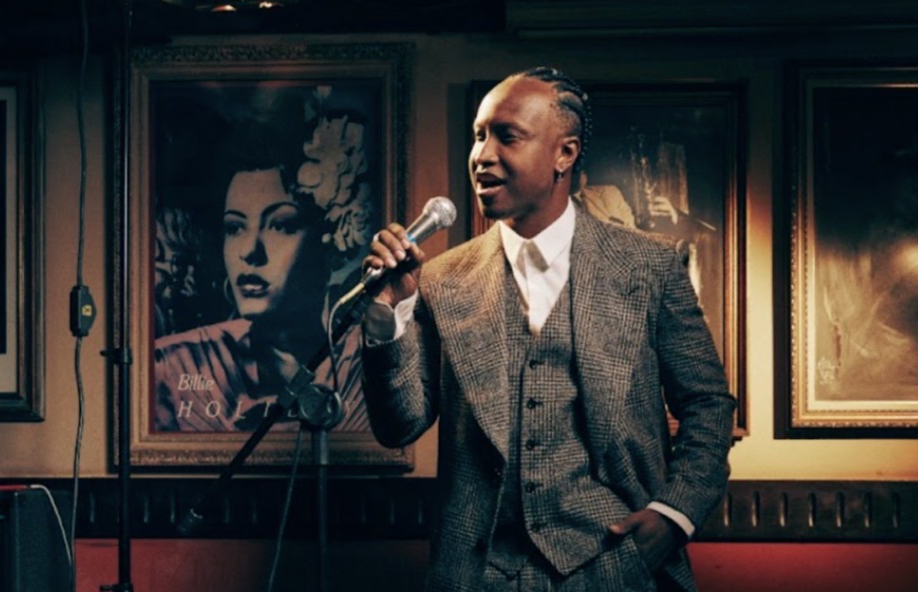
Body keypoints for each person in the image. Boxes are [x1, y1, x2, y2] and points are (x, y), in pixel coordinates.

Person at [360, 67, 735, 591]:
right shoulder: (442, 279)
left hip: (615, 566)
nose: (482, 155)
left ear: (565, 154)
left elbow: (708, 405)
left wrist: (674, 515)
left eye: (506, 136)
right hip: (478, 575)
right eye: (478, 136)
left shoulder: (648, 267)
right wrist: (389, 311)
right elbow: (398, 427)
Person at [153, 132, 366, 432]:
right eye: (234, 227)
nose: (249, 251)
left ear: (328, 241)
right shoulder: (171, 365)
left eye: (281, 225)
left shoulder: (366, 362)